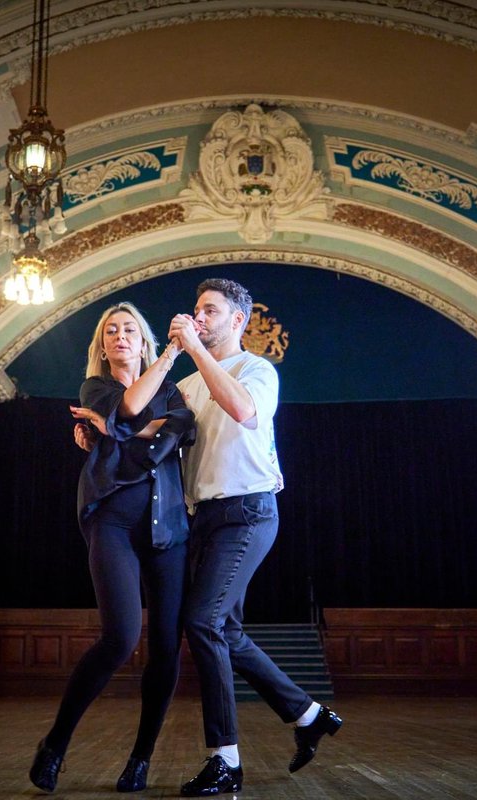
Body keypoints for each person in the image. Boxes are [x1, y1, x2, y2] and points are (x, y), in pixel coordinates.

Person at [167, 278, 343, 797]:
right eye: (196, 309)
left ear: (238, 320)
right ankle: (308, 715)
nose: (198, 316)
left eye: (210, 310)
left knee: (201, 621)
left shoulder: (256, 369)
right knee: (226, 632)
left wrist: (195, 349)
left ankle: (225, 761)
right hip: (203, 519)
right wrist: (100, 431)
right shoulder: (186, 386)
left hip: (248, 511)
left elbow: (244, 412)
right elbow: (152, 438)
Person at [28, 302, 194, 794]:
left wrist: (121, 431)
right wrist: (131, 419)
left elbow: (178, 435)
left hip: (169, 531)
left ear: (141, 341)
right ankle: (55, 744)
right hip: (113, 524)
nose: (120, 337)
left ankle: (140, 759)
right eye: (111, 332)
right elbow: (126, 413)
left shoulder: (174, 394)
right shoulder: (94, 390)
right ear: (103, 346)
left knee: (166, 646)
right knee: (120, 639)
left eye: (129, 330)